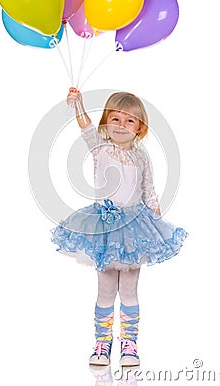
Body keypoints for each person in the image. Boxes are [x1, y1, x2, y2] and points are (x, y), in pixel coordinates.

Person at [51, 88, 188, 367]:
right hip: (103, 227)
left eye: (130, 121)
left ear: (140, 128)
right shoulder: (100, 148)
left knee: (128, 289)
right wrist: (77, 104)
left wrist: (156, 220)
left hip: (135, 229)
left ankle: (130, 344)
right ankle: (102, 344)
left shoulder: (142, 157)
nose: (122, 126)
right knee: (104, 289)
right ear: (106, 124)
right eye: (115, 119)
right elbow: (85, 127)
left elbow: (149, 190)